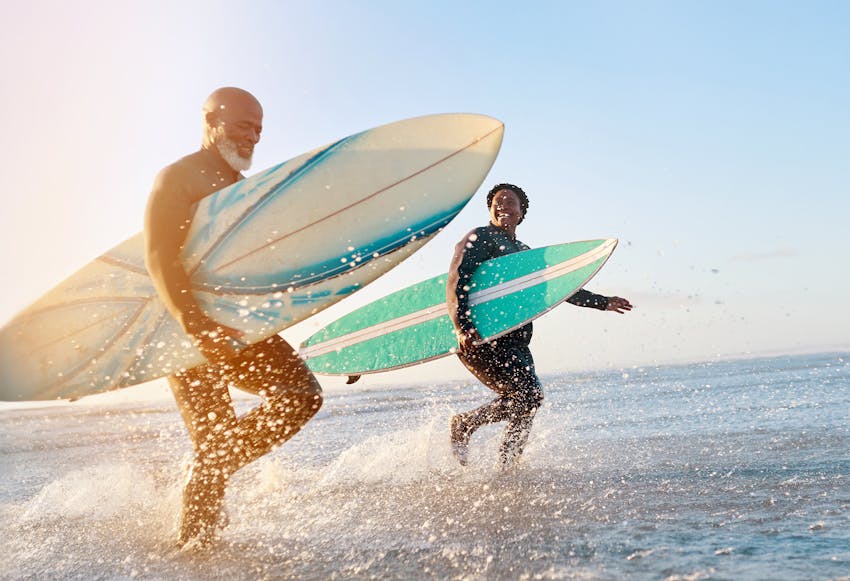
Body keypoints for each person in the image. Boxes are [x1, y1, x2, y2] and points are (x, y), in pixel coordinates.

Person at [144, 87, 323, 548]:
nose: (254, 137)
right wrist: (194, 326)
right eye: (244, 124)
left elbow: (252, 276)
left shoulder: (242, 189)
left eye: (259, 128)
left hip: (240, 324)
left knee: (302, 395)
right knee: (215, 438)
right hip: (188, 333)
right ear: (211, 118)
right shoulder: (178, 177)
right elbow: (159, 257)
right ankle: (194, 551)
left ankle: (206, 470)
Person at [446, 183, 632, 469]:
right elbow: (457, 279)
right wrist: (462, 326)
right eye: (498, 201)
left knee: (526, 405)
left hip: (516, 342)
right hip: (481, 337)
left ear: (522, 213)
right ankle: (465, 424)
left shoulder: (524, 252)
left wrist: (602, 302)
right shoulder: (478, 237)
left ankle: (507, 467)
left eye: (511, 202)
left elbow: (559, 288)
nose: (503, 205)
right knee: (530, 395)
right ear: (490, 209)